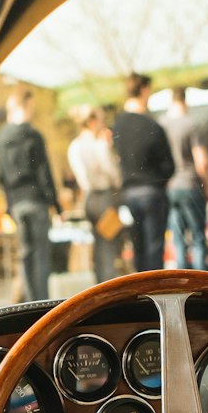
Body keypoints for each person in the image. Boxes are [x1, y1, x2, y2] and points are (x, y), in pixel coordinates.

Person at [0, 87, 61, 302]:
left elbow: (1, 176)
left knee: (26, 255)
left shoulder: (1, 137)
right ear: (26, 105)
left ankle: (30, 302)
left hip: (16, 203)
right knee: (41, 255)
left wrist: (8, 205)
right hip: (36, 201)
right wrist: (55, 203)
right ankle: (42, 304)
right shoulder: (33, 135)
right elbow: (43, 171)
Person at [110, 72, 175, 272]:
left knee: (138, 248)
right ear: (144, 90)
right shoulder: (152, 125)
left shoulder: (117, 125)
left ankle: (140, 292)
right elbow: (169, 166)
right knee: (154, 249)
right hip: (152, 191)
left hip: (129, 193)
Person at [160, 87, 208, 269]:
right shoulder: (191, 124)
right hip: (190, 183)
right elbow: (202, 161)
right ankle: (199, 283)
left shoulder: (162, 124)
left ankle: (181, 278)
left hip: (170, 186)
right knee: (198, 236)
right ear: (185, 101)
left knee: (177, 238)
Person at [67, 104, 123, 283]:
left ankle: (99, 284)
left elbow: (82, 177)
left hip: (89, 198)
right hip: (104, 196)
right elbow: (113, 173)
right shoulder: (99, 145)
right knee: (107, 246)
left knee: (98, 245)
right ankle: (108, 285)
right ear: (91, 121)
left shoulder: (74, 147)